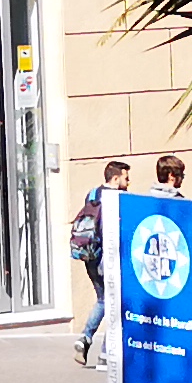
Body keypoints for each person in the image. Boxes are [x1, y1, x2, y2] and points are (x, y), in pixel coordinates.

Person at [70, 157, 129, 368]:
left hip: (89, 255)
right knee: (115, 304)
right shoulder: (118, 198)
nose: (128, 183)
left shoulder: (93, 194)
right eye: (125, 178)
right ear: (115, 178)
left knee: (104, 300)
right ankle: (105, 355)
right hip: (108, 258)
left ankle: (84, 339)